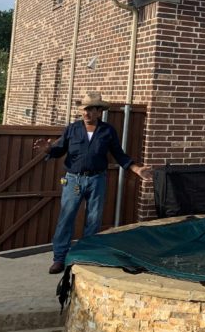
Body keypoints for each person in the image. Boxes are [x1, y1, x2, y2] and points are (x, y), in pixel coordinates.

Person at [32, 91, 152, 274]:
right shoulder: (72, 129)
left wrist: (136, 169)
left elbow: (118, 154)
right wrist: (48, 150)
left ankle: (87, 255)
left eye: (90, 109)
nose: (86, 113)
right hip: (73, 180)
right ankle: (59, 258)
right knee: (66, 218)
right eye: (83, 109)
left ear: (99, 111)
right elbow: (59, 150)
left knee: (94, 220)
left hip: (97, 179)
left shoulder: (107, 131)